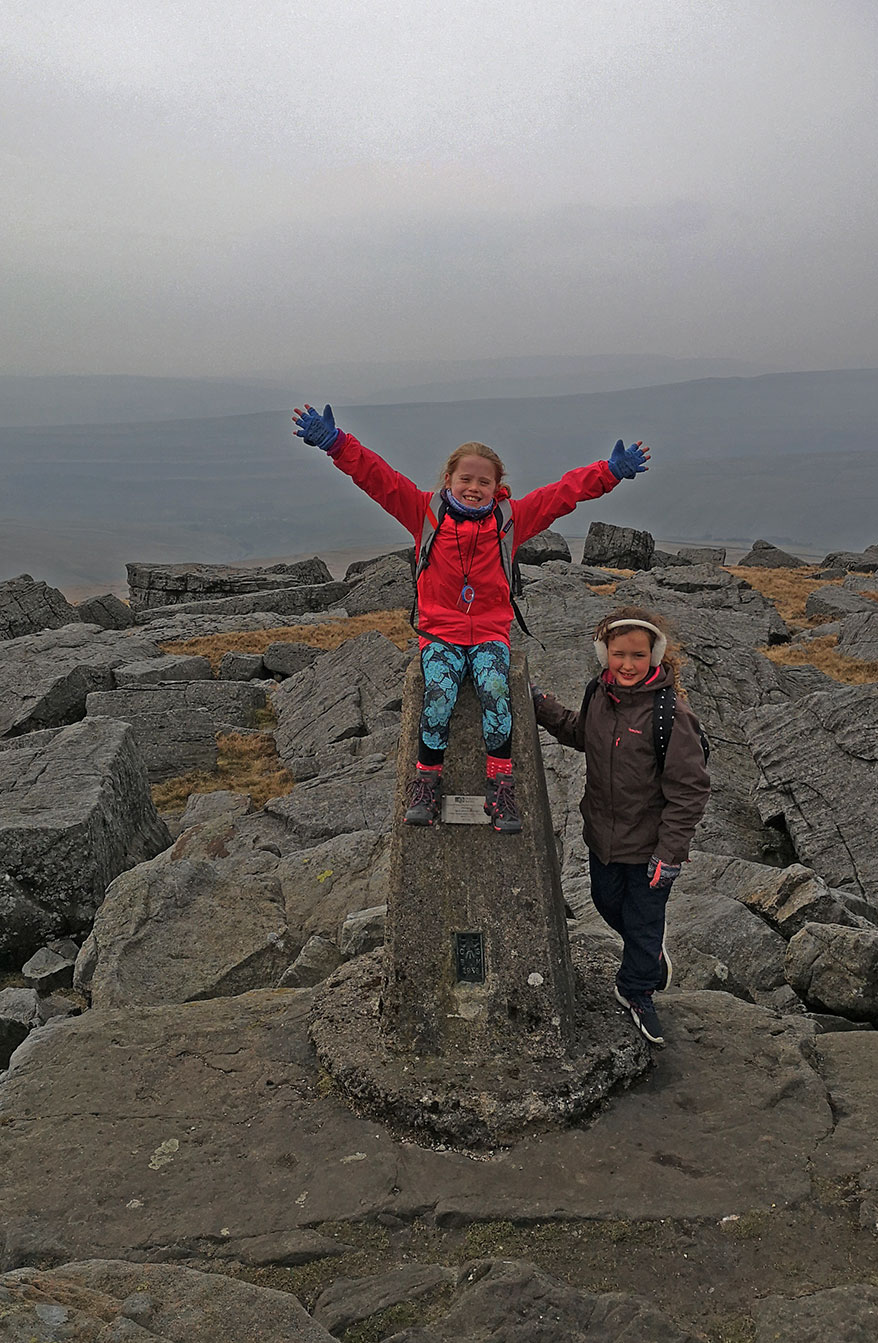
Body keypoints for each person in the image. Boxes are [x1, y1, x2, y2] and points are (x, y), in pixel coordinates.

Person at [293, 402, 651, 833]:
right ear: (448, 480)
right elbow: (377, 478)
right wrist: (336, 443)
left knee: (496, 689)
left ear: (499, 486)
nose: (474, 487)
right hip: (440, 632)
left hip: (489, 633)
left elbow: (562, 495)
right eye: (466, 479)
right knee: (439, 695)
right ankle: (426, 781)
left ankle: (501, 786)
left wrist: (609, 472)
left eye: (484, 481)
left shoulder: (510, 520)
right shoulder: (424, 512)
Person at [531, 607, 710, 1044]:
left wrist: (669, 854)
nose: (627, 664)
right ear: (603, 653)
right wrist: (540, 707)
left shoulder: (671, 715)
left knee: (644, 924)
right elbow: (581, 734)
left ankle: (637, 990)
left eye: (637, 654)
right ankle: (648, 956)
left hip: (651, 848)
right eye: (618, 654)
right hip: (603, 838)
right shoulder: (599, 693)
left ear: (655, 655)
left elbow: (689, 791)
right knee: (605, 901)